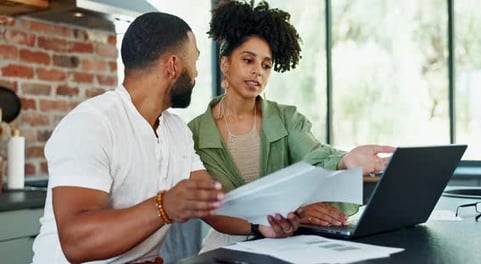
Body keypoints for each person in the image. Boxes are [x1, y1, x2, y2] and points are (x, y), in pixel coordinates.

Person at [188, 0, 395, 252]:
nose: (258, 72)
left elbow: (315, 155)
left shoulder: (287, 118)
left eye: (266, 65)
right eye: (248, 60)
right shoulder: (195, 134)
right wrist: (288, 210)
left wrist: (345, 162)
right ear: (225, 63)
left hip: (288, 242)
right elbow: (213, 206)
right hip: (228, 244)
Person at [31, 12, 228, 264]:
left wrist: (265, 224)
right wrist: (164, 207)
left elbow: (213, 201)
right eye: (195, 61)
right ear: (172, 65)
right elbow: (76, 241)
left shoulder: (177, 131)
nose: (197, 74)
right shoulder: (91, 123)